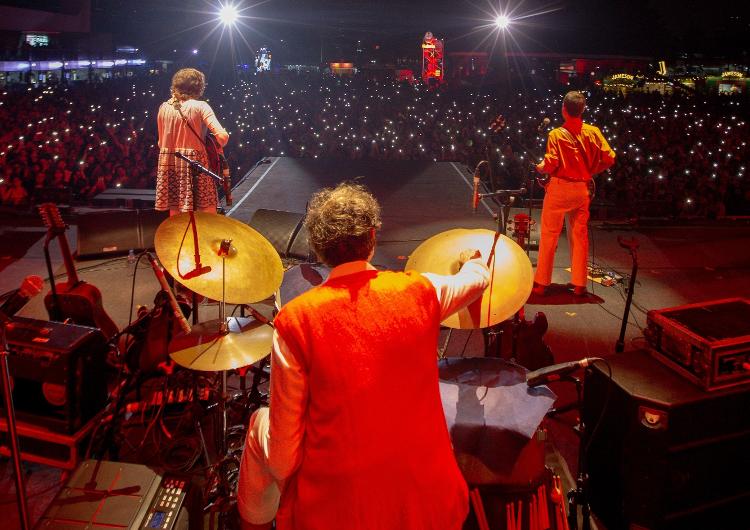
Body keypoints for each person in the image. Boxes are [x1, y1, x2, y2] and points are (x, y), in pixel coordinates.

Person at [237, 183, 490, 530]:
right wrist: (471, 263)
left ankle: (252, 523)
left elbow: (283, 460)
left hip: (336, 514)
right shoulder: (421, 291)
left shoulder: (297, 320)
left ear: (318, 247)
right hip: (433, 506)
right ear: (371, 238)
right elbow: (476, 280)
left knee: (259, 424)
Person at [533, 91, 616, 296]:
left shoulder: (556, 134)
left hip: (560, 189)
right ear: (582, 109)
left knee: (550, 235)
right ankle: (580, 285)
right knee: (579, 237)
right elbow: (610, 157)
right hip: (581, 189)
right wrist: (591, 171)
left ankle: (542, 283)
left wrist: (540, 167)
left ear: (564, 109)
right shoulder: (593, 131)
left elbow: (551, 163)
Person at [155, 68, 229, 216]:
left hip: (168, 166)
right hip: (196, 164)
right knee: (207, 214)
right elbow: (222, 137)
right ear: (198, 87)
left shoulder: (164, 107)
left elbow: (160, 143)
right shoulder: (200, 106)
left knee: (176, 217)